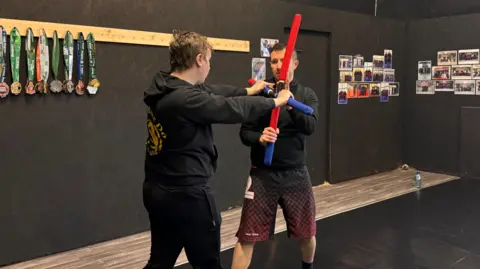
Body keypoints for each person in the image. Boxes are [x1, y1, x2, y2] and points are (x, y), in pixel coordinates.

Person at [141, 31, 292, 269]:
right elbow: (227, 108)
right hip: (188, 195)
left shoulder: (166, 87)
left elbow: (213, 92)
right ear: (199, 59)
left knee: (160, 260)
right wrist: (274, 101)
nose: (209, 66)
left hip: (158, 191)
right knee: (207, 264)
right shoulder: (184, 99)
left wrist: (247, 90)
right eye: (209, 60)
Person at [231, 42, 319, 269]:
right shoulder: (262, 93)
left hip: (295, 173)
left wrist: (289, 104)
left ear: (295, 64)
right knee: (247, 237)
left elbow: (310, 126)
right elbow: (244, 132)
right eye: (274, 61)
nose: (279, 65)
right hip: (262, 175)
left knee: (307, 233)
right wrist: (260, 137)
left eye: (284, 60)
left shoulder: (307, 95)